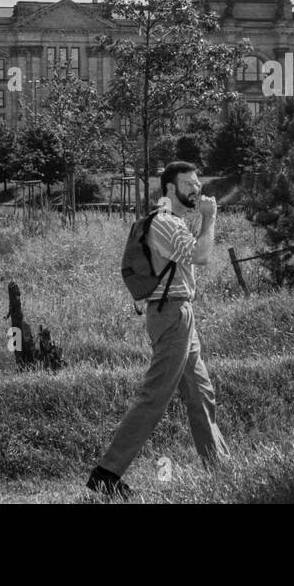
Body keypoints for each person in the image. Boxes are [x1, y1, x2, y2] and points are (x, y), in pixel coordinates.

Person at [86, 161, 230, 498]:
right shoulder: (165, 222)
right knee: (155, 397)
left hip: (180, 312)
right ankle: (107, 474)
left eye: (197, 182)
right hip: (171, 314)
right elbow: (201, 255)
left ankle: (220, 467)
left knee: (201, 393)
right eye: (188, 183)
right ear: (169, 189)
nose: (196, 188)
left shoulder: (173, 221)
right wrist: (210, 218)